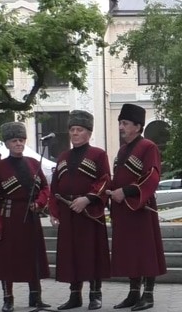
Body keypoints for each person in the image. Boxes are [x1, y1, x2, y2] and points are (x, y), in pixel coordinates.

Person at [0, 122, 51, 312]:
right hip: (10, 218)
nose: (19, 144)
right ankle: (8, 299)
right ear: (7, 144)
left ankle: (36, 297)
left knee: (33, 256)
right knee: (8, 260)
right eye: (14, 141)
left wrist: (39, 202)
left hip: (31, 217)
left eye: (21, 140)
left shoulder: (33, 163)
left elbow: (45, 187)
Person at [48, 110, 111, 310]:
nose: (75, 133)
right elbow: (55, 187)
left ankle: (95, 295)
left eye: (79, 130)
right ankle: (75, 296)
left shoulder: (98, 155)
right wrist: (54, 211)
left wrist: (88, 199)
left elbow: (105, 180)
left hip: (89, 213)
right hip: (67, 213)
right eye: (72, 129)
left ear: (89, 133)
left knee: (91, 253)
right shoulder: (63, 156)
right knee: (71, 254)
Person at [106, 103, 167, 311]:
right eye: (120, 123)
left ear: (138, 126)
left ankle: (148, 295)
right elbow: (118, 177)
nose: (121, 127)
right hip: (123, 209)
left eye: (125, 123)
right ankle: (133, 294)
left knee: (145, 251)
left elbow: (152, 176)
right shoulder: (123, 150)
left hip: (141, 208)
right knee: (130, 252)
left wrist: (127, 192)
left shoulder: (148, 147)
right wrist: (111, 192)